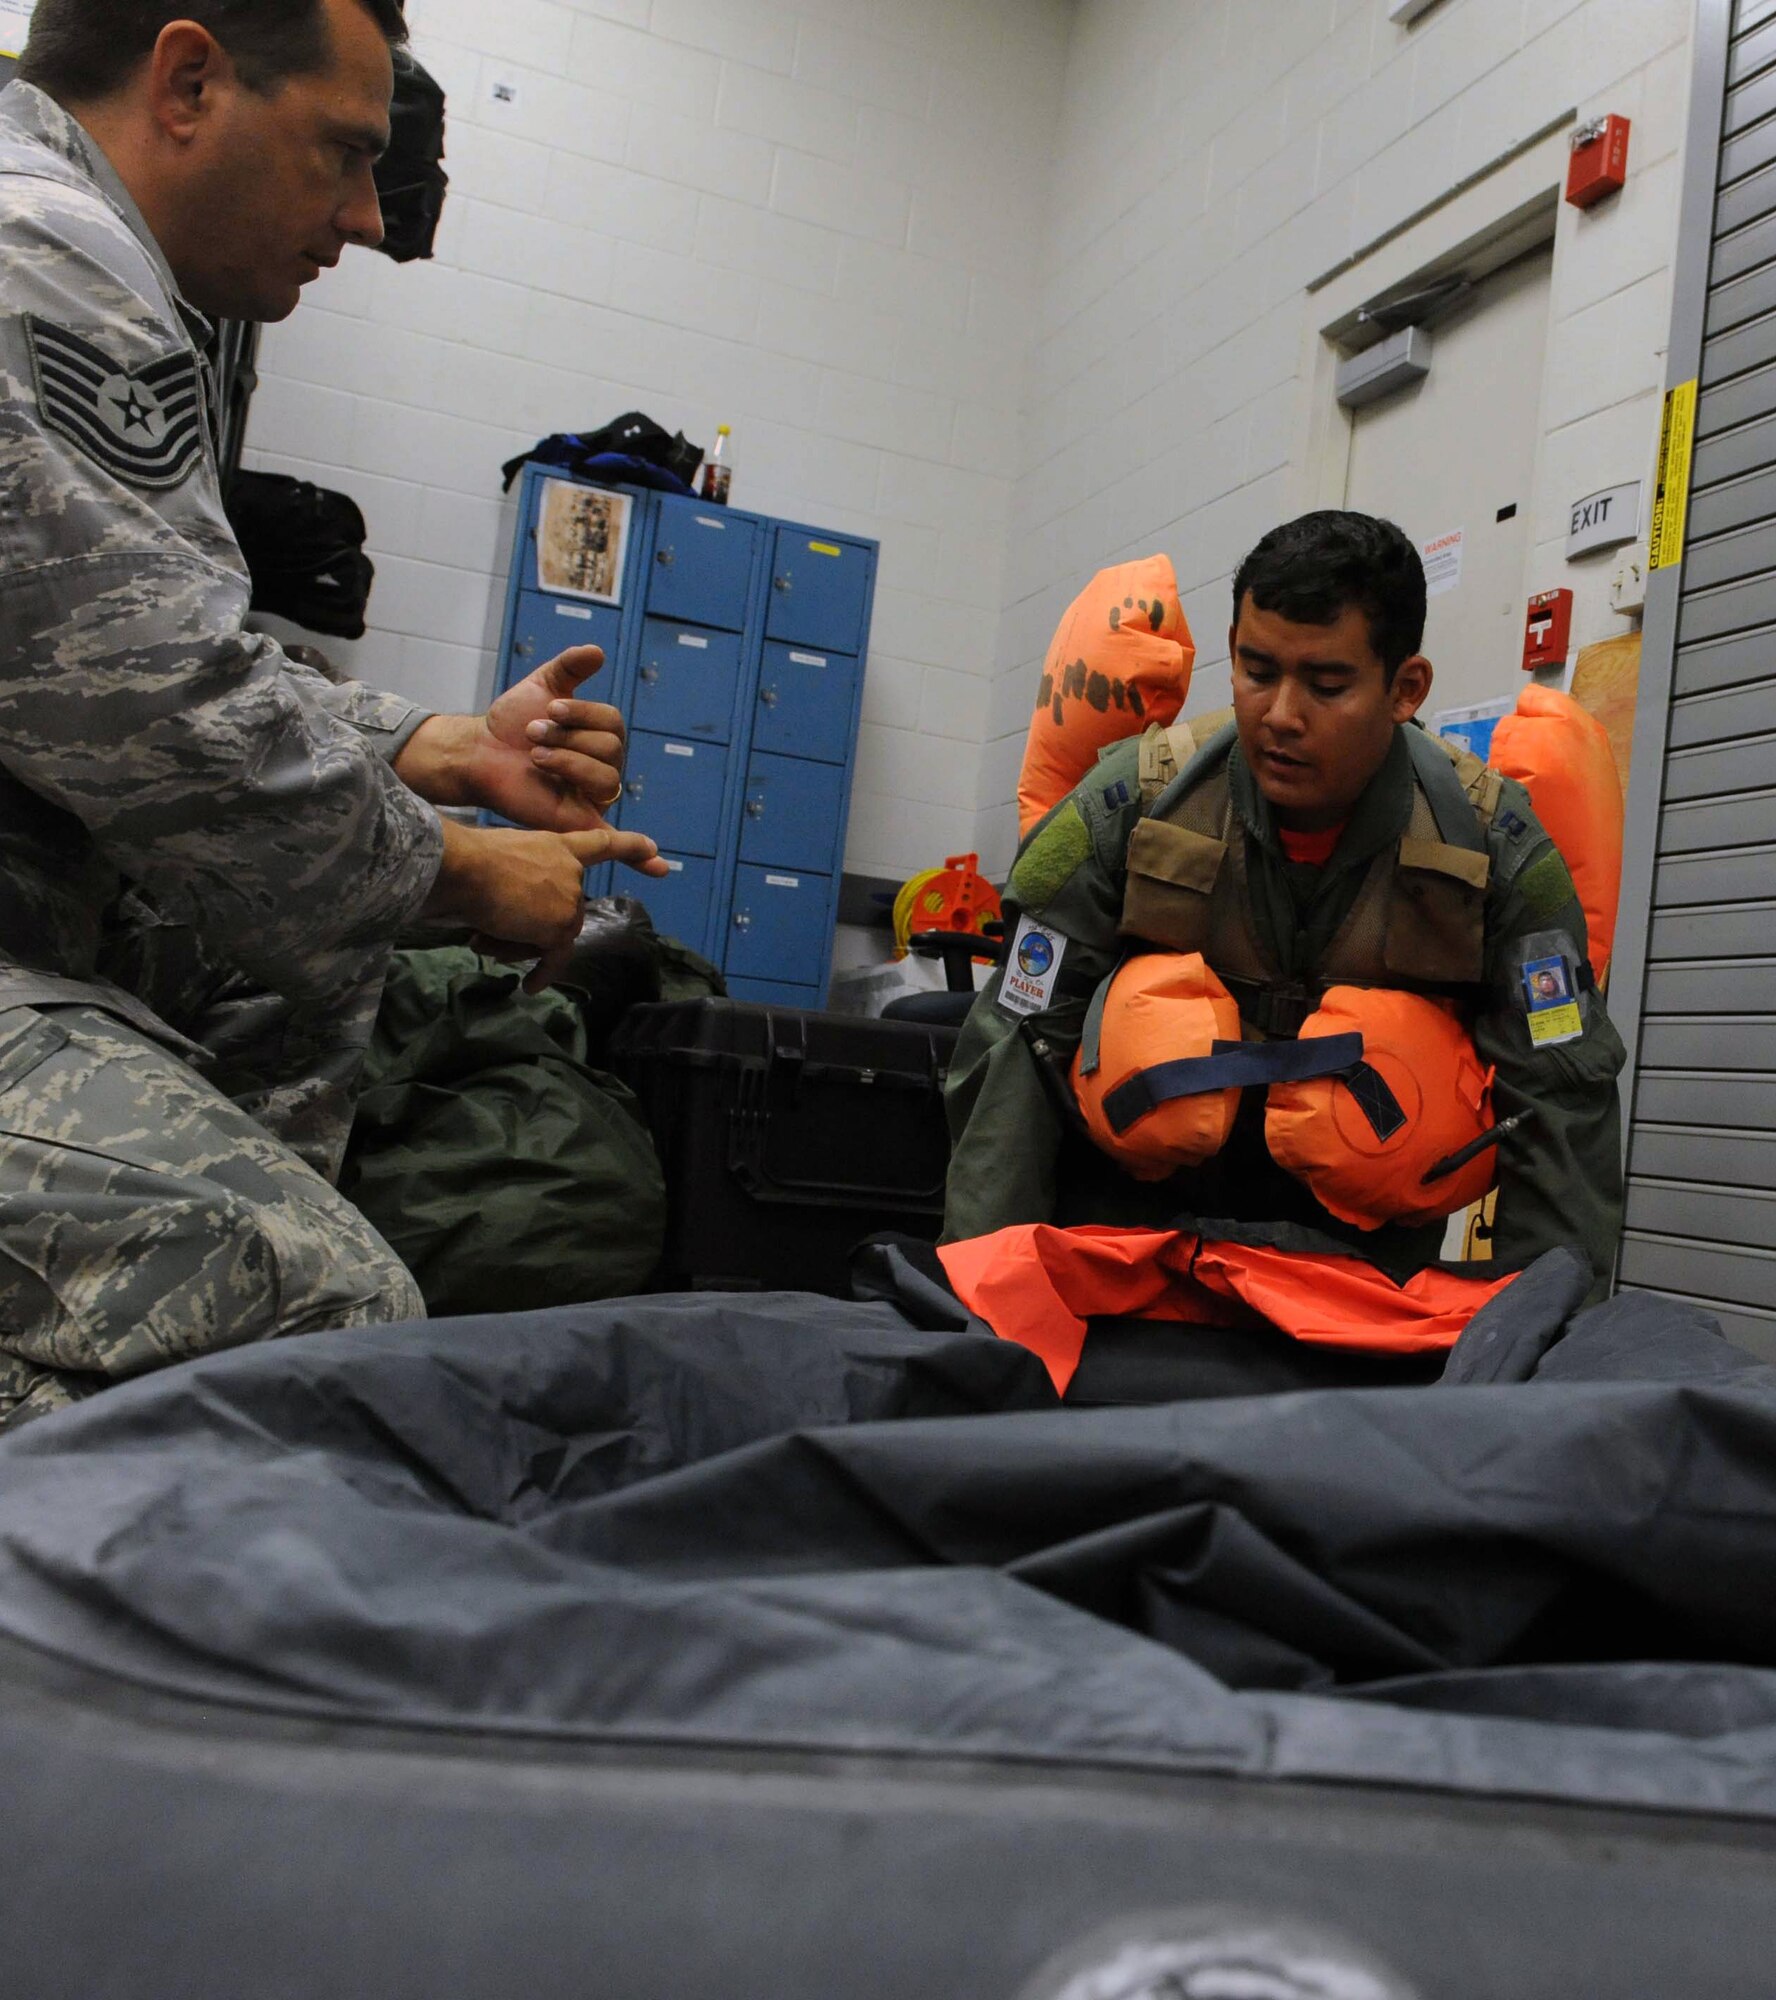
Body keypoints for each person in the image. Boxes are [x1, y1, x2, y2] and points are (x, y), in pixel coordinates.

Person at [0, 0, 668, 1429]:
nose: (367, 217)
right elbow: (160, 712)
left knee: (281, 955)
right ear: (188, 82)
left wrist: (438, 750)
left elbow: (122, 644)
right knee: (324, 1314)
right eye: (347, 153)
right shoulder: (42, 247)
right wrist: (469, 870)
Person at [944, 511, 1626, 1294]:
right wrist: (983, 1297)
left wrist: (1538, 1337)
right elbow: (1014, 1048)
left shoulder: (1495, 853)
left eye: (1326, 685)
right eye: (1257, 671)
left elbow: (1561, 1102)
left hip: (1362, 1283)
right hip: (1126, 1253)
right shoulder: (1132, 807)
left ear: (1405, 689)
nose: (1280, 716)